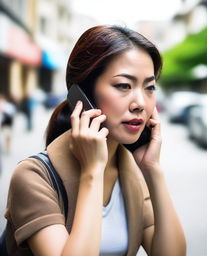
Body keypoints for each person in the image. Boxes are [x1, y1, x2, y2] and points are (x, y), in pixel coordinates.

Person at [4, 25, 186, 255]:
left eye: (149, 87)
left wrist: (153, 170)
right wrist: (92, 171)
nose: (140, 103)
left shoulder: (131, 170)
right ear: (83, 94)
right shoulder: (33, 177)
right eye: (123, 86)